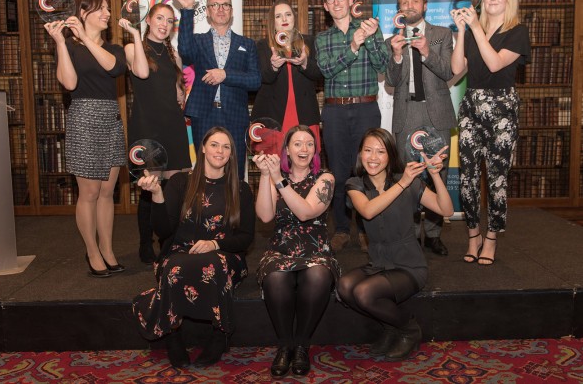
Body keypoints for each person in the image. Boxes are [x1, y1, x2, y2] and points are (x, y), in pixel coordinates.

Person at [132, 127, 255, 368]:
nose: (220, 151)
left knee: (214, 266)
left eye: (226, 147)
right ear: (203, 148)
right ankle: (173, 336)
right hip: (179, 252)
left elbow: (246, 238)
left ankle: (219, 337)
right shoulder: (181, 181)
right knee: (175, 267)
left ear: (231, 154)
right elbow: (163, 231)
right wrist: (157, 194)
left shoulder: (241, 189)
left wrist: (214, 243)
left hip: (224, 255)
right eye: (214, 145)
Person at [337, 128, 453, 361]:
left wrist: (435, 174)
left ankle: (409, 330)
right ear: (360, 154)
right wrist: (403, 183)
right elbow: (368, 211)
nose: (373, 157)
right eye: (368, 150)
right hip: (379, 263)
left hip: (409, 265)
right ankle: (392, 327)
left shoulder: (408, 182)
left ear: (390, 155)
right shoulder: (355, 184)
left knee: (363, 292)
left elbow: (446, 210)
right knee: (344, 287)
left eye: (380, 151)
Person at [44, 0, 127, 278]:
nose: (107, 13)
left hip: (110, 120)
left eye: (107, 8)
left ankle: (108, 249)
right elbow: (68, 83)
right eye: (101, 9)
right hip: (83, 118)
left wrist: (88, 41)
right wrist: (60, 42)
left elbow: (114, 68)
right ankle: (92, 251)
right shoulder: (70, 47)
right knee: (89, 192)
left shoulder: (114, 49)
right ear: (83, 12)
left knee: (107, 192)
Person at [450, 0, 530, 266]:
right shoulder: (473, 30)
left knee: (496, 179)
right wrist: (462, 31)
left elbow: (495, 64)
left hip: (501, 108)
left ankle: (492, 237)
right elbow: (457, 70)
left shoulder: (517, 31)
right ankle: (473, 236)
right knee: (468, 176)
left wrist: (474, 28)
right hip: (471, 104)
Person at [253, 125, 339, 378]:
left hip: (316, 248)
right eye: (298, 143)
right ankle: (285, 345)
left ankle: (301, 345)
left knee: (318, 276)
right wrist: (265, 177)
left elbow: (305, 212)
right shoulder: (275, 176)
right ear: (287, 150)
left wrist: (278, 179)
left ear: (315, 151)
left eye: (309, 144)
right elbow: (265, 216)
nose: (304, 149)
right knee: (276, 277)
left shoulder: (326, 179)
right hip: (280, 248)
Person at [315, 0, 389, 253]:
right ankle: (342, 229)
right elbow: (326, 71)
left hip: (366, 108)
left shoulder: (369, 29)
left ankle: (367, 231)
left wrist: (368, 39)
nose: (336, 2)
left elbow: (383, 65)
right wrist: (354, 47)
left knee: (369, 170)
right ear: (325, 6)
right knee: (338, 171)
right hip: (334, 110)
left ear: (349, 0)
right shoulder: (323, 39)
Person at [385, 0, 455, 256]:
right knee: (407, 176)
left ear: (425, 6)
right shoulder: (393, 39)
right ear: (399, 7)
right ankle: (411, 235)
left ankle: (434, 234)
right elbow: (390, 81)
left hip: (435, 111)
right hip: (407, 113)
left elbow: (448, 71)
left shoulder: (441, 35)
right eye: (404, 2)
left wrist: (426, 51)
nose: (410, 6)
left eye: (415, 1)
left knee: (438, 172)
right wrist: (397, 55)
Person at [119, 3, 192, 264]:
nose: (164, 24)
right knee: (151, 187)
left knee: (176, 188)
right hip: (147, 125)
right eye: (159, 18)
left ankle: (169, 243)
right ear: (148, 20)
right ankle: (144, 244)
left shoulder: (174, 55)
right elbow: (142, 71)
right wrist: (135, 36)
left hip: (173, 124)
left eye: (170, 20)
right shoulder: (131, 49)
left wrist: (180, 92)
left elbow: (177, 91)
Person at [172, 0, 261, 177]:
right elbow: (185, 51)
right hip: (204, 114)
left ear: (232, 10)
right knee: (204, 172)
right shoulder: (198, 41)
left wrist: (225, 75)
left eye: (226, 5)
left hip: (235, 117)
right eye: (215, 5)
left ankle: (233, 208)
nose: (221, 9)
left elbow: (255, 80)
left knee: (235, 173)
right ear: (208, 11)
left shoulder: (247, 44)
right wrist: (187, 10)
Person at [251, 0, 323, 147]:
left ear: (294, 18)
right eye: (278, 16)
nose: (284, 19)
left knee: (303, 163)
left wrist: (305, 64)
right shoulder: (262, 46)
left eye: (288, 14)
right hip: (273, 115)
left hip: (305, 113)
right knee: (273, 164)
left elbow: (320, 74)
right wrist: (274, 67)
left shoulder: (309, 42)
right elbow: (261, 78)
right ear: (273, 21)